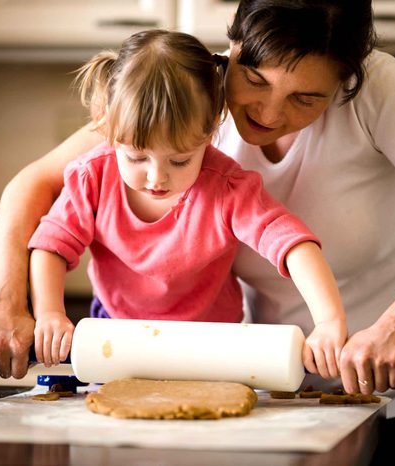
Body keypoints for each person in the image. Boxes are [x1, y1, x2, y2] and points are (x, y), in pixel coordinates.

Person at [0, 1, 395, 464]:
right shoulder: (190, 91)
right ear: (231, 45)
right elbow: (35, 185)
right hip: (276, 383)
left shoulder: (379, 88)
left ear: (348, 79)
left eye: (307, 98)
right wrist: (7, 301)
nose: (269, 113)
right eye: (253, 79)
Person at [26, 29, 347, 376]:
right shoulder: (93, 178)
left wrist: (329, 320)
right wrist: (50, 313)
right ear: (107, 125)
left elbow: (292, 244)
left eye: (179, 161)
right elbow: (51, 246)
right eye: (136, 158)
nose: (156, 178)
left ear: (211, 130)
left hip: (212, 349)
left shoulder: (227, 188)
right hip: (118, 343)